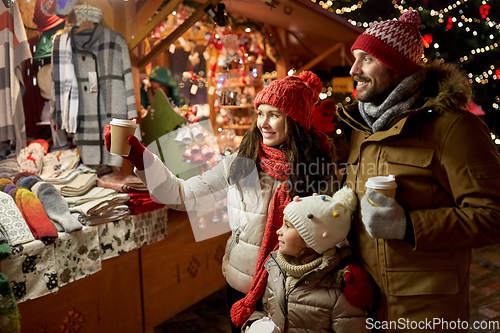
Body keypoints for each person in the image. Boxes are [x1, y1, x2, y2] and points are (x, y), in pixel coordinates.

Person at [104, 71, 338, 333]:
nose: (263, 123)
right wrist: (140, 157)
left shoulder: (319, 168)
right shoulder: (243, 160)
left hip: (295, 291)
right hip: (242, 286)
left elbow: (332, 236)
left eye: (274, 114)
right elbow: (183, 195)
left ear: (295, 120)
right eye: (260, 113)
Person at [337, 9, 500, 331]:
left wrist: (408, 225)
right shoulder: (361, 128)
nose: (354, 69)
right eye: (354, 58)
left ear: (396, 66)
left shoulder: (453, 127)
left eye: (366, 58)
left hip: (425, 310)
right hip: (367, 305)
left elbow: (494, 214)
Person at [242, 188, 372, 333]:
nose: (278, 231)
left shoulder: (338, 291)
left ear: (309, 240)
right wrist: (255, 324)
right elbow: (265, 311)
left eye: (287, 226)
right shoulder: (275, 268)